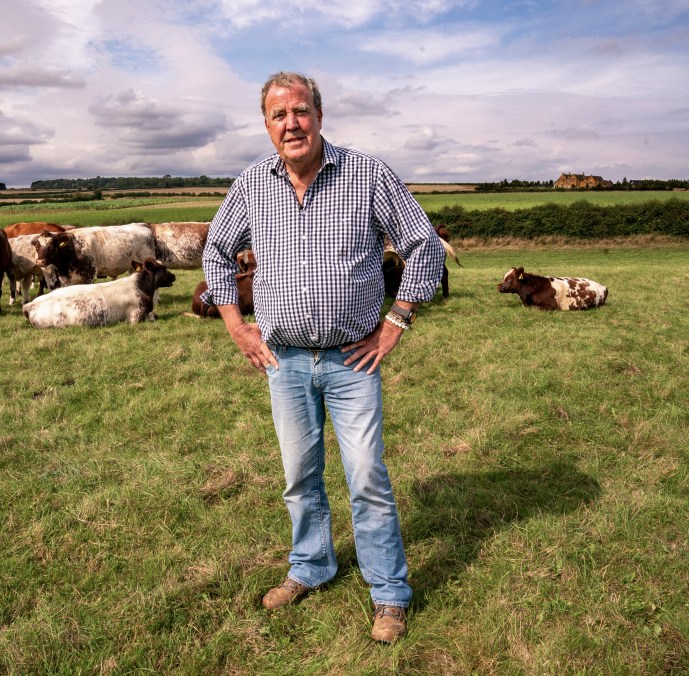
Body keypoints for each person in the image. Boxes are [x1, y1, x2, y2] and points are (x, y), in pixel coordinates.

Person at [201, 71, 444, 643]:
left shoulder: (367, 173)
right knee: (298, 476)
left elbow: (423, 245)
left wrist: (396, 321)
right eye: (279, 115)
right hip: (283, 361)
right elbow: (215, 249)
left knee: (366, 477)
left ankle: (388, 593)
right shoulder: (253, 185)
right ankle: (311, 566)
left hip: (352, 362)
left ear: (320, 115)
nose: (292, 123)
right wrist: (236, 325)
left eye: (301, 111)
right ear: (267, 125)